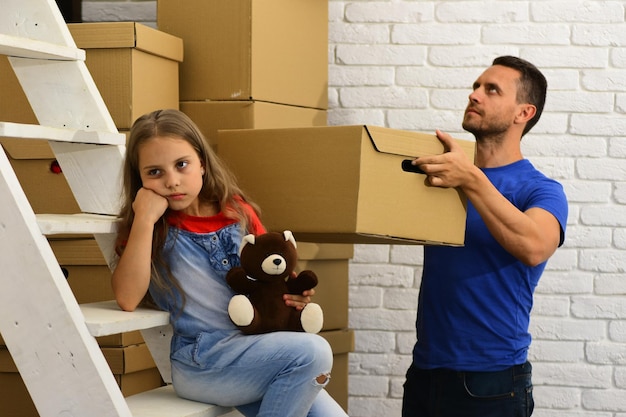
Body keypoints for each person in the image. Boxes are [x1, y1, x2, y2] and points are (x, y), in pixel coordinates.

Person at [111, 109, 347, 417]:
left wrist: (293, 295)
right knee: (314, 352)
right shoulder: (154, 228)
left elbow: (275, 277)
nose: (171, 181)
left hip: (257, 350)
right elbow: (127, 299)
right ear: (140, 179)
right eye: (154, 172)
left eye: (181, 165)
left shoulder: (237, 212)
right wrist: (143, 218)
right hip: (202, 361)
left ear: (202, 164)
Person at [402, 56, 568, 417]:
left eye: (492, 89)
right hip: (425, 374)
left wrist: (472, 179)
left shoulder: (541, 190)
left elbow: (535, 246)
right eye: (476, 86)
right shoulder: (446, 180)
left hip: (491, 385)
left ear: (523, 113)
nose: (475, 94)